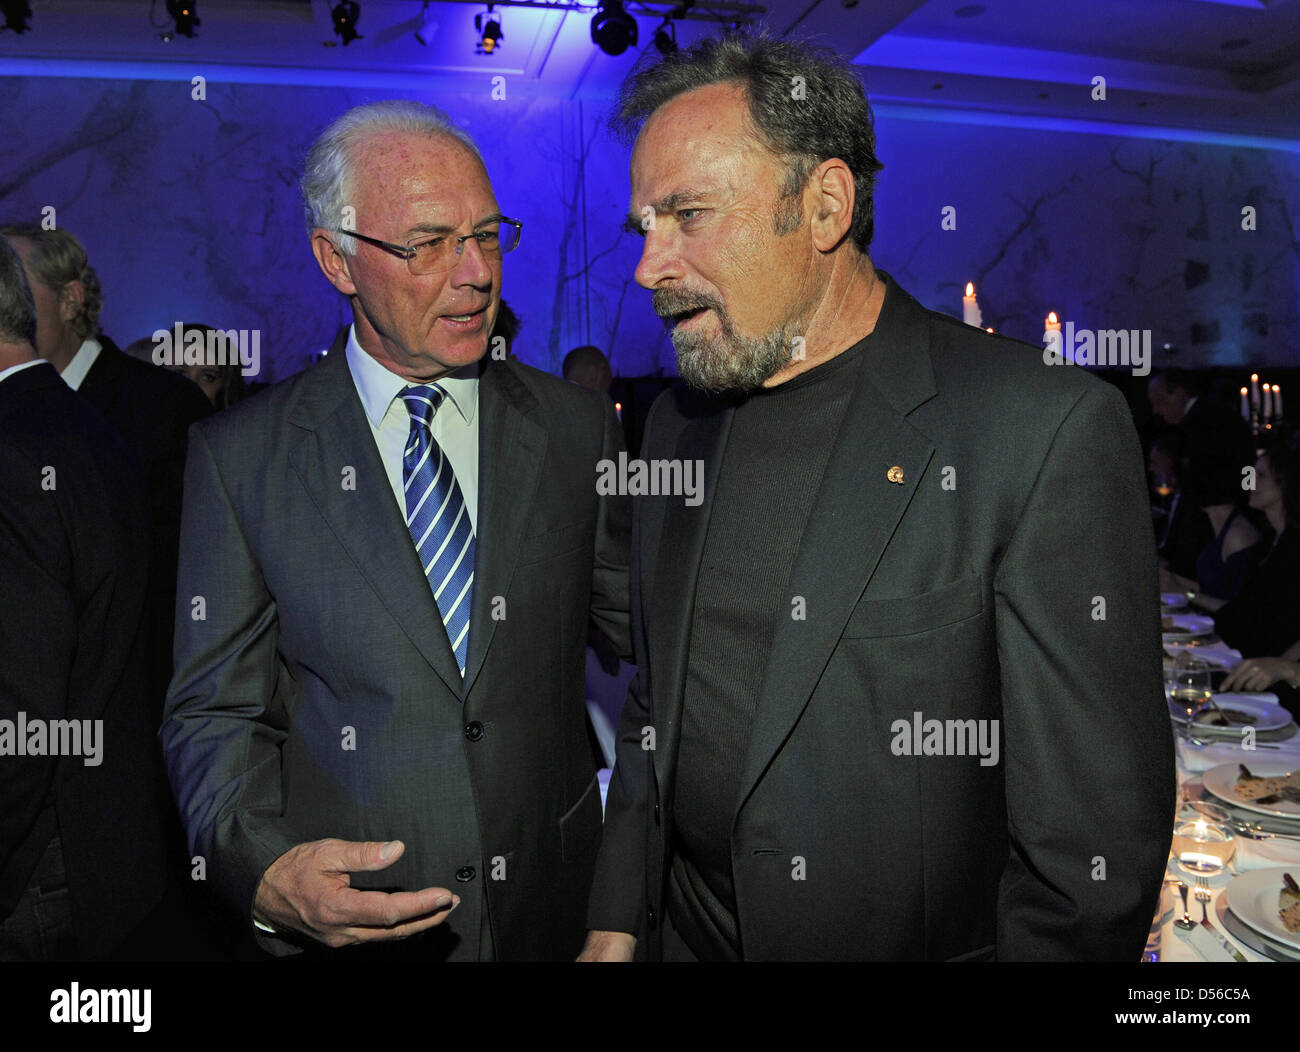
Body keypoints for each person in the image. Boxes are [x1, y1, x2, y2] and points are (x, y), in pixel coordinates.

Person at [580, 33, 1173, 963]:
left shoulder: (1035, 430)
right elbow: (656, 708)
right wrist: (615, 922)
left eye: (687, 215)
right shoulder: (674, 429)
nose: (649, 267)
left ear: (823, 205)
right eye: (644, 226)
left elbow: (1088, 869)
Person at [160, 99, 631, 961]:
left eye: (487, 236)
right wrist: (264, 875)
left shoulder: (575, 431)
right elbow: (212, 712)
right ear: (336, 259)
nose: (476, 273)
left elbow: (654, 644)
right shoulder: (242, 458)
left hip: (556, 913)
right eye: (427, 244)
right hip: (363, 932)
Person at [0, 235, 170, 960]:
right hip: (100, 846)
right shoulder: (83, 425)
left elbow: (21, 709)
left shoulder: (12, 449)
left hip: (34, 861)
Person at [1, 225, 214, 712]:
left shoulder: (161, 405)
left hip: (139, 710)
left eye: (15, 280)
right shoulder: (17, 411)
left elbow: (194, 572)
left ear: (71, 298)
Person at [1199, 431, 1300, 658]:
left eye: (1261, 475)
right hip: (1240, 659)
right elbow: (1240, 611)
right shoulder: (1267, 543)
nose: (1251, 481)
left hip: (1266, 674)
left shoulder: (1293, 549)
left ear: (1287, 482)